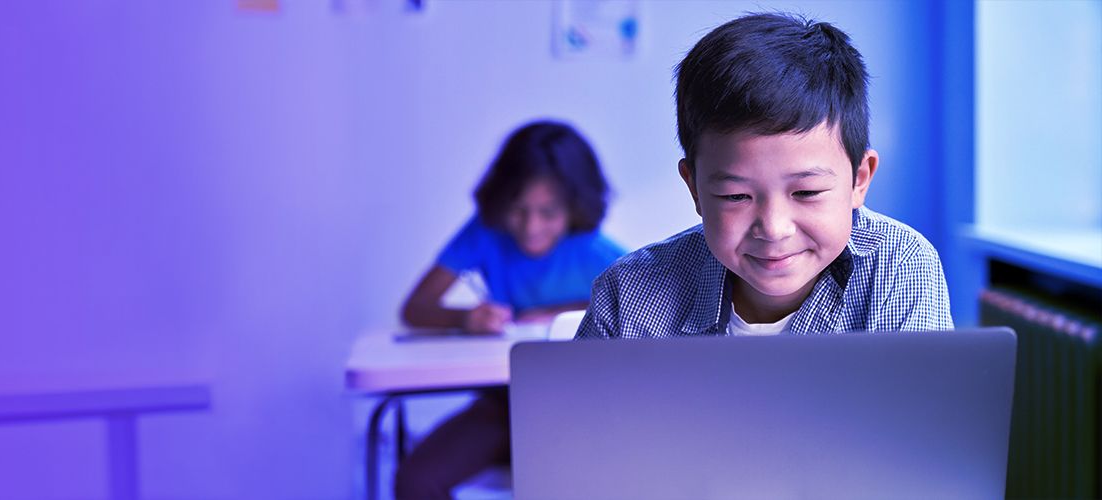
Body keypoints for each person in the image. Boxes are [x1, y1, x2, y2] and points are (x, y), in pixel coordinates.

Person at [577, 12, 952, 342]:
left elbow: (919, 403)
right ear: (694, 187)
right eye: (736, 196)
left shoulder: (899, 265)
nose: (773, 229)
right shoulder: (628, 294)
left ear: (859, 180)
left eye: (806, 192)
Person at [394, 119, 624, 500]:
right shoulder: (486, 233)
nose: (531, 227)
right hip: (503, 404)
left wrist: (559, 312)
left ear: (575, 208)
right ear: (500, 201)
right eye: (518, 210)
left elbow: (648, 306)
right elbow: (415, 308)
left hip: (581, 409)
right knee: (417, 480)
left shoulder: (593, 250)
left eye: (548, 212)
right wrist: (465, 318)